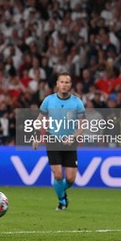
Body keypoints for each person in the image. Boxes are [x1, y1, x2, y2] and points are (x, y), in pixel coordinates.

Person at [35, 72, 86, 211]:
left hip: (70, 142)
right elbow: (39, 120)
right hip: (53, 139)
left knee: (70, 179)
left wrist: (73, 136)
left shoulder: (77, 102)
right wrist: (36, 137)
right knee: (57, 174)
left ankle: (61, 191)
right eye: (61, 82)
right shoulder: (48, 100)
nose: (64, 85)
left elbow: (83, 125)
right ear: (57, 84)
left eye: (67, 82)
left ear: (70, 85)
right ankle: (62, 201)